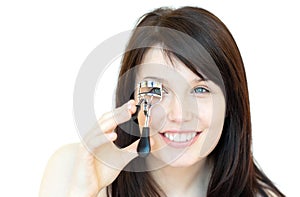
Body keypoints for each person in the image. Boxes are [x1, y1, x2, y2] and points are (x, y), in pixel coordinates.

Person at [39, 6, 285, 197]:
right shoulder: (71, 169)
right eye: (158, 89)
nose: (179, 114)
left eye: (200, 90)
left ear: (230, 102)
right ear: (132, 98)